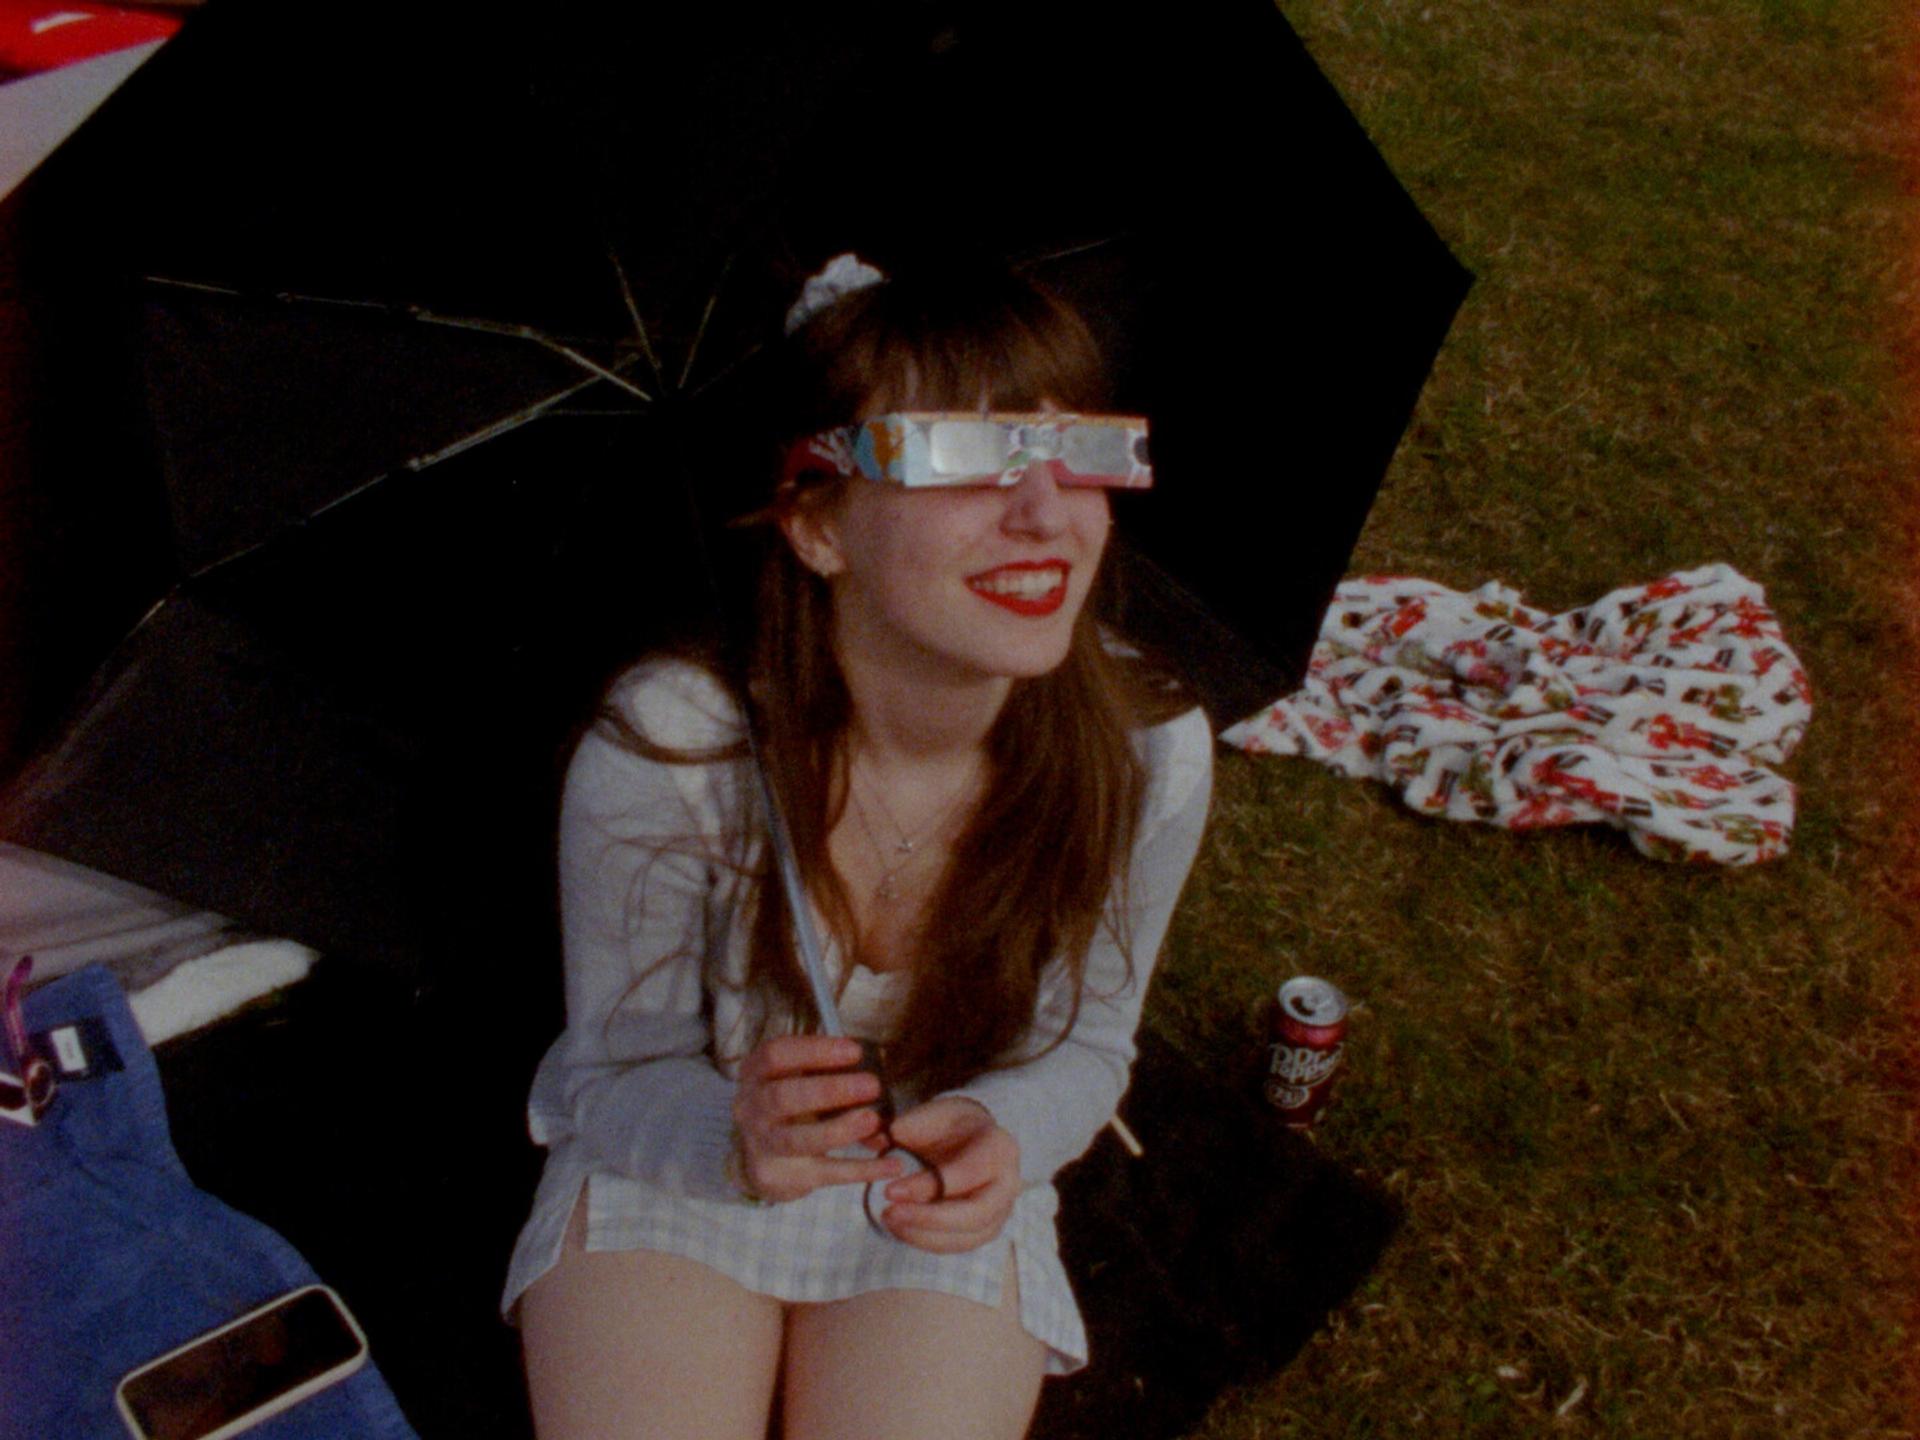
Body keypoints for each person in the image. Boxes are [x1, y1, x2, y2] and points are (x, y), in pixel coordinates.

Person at [502, 254, 1213, 1440]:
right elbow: (609, 1078)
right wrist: (733, 1134)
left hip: (930, 1190)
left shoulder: (1148, 756)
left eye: (1080, 449)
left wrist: (1011, 1130)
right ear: (818, 524)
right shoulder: (675, 749)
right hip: (683, 1160)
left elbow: (1089, 1044)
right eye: (958, 456)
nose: (1044, 513)